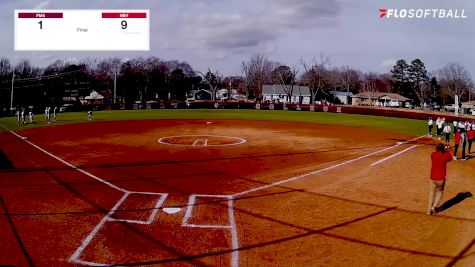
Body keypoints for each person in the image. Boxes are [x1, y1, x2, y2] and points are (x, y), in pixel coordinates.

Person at [428, 143, 452, 215]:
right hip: (441, 179)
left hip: (432, 178)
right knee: (440, 192)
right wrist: (446, 151)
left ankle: (428, 210)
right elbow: (450, 158)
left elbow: (436, 153)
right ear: (442, 149)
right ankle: (434, 207)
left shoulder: (433, 155)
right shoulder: (444, 157)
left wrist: (443, 150)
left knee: (431, 192)